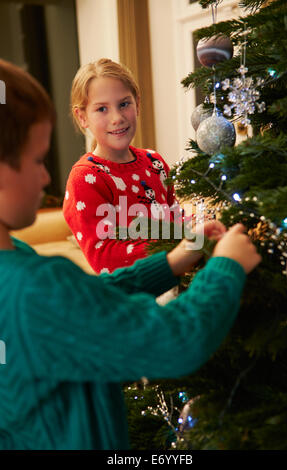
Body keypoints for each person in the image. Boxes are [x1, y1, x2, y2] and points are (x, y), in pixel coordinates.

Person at [0, 58, 261, 450]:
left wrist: (173, 260)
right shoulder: (35, 285)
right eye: (38, 160)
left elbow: (89, 298)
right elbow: (177, 341)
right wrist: (227, 266)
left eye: (124, 104)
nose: (46, 177)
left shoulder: (16, 260)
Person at [63, 58, 182, 274]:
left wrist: (196, 236)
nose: (117, 118)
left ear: (137, 103)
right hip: (131, 299)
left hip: (178, 282)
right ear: (82, 117)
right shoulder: (86, 178)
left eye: (124, 104)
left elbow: (176, 220)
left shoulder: (155, 162)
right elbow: (104, 257)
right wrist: (179, 248)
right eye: (102, 109)